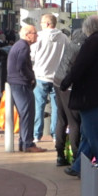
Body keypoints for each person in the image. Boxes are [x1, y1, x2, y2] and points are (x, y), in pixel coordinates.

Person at [60, 15, 98, 180]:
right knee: (89, 134)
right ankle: (79, 166)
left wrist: (65, 82)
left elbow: (80, 66)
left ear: (88, 28)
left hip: (92, 97)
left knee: (97, 135)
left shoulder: (92, 43)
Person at [31, 14, 69, 142]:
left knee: (39, 106)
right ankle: (55, 134)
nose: (40, 25)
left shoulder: (39, 37)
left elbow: (31, 55)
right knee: (57, 108)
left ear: (47, 23)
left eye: (41, 22)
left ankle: (36, 134)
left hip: (40, 76)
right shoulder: (64, 38)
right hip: (57, 77)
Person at [7, 24, 44, 152]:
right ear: (27, 35)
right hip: (20, 84)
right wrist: (31, 78)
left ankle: (24, 142)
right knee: (27, 113)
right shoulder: (23, 46)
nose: (37, 35)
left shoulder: (20, 45)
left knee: (25, 114)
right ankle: (28, 143)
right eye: (35, 33)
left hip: (17, 83)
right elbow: (21, 65)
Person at [53, 29, 86, 167]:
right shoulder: (81, 48)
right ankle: (76, 155)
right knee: (74, 122)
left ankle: (60, 154)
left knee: (61, 119)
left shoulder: (71, 44)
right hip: (69, 85)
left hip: (57, 80)